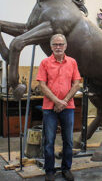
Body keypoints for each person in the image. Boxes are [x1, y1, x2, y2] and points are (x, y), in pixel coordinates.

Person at [36, 34, 81, 181]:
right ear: (51, 46)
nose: (58, 47)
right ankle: (49, 170)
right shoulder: (45, 63)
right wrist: (56, 101)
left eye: (61, 44)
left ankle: (66, 169)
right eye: (55, 44)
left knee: (68, 140)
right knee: (49, 140)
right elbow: (42, 85)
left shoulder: (72, 62)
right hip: (49, 108)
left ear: (66, 46)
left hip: (68, 107)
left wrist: (64, 101)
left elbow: (76, 84)